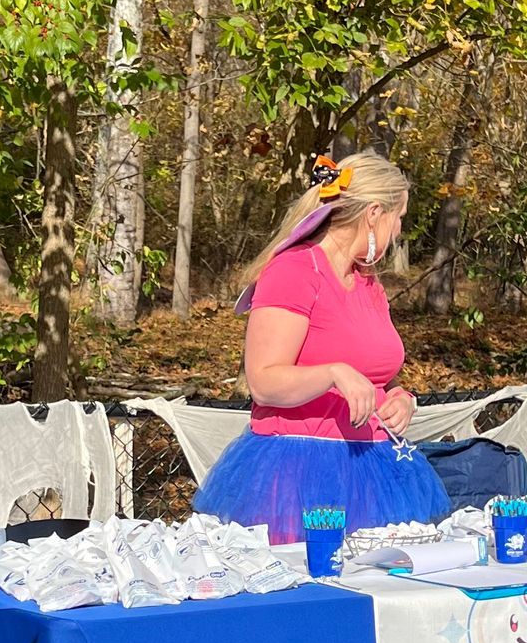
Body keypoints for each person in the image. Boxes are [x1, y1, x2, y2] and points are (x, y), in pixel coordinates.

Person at [193, 151, 450, 544]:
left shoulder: (369, 284)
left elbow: (376, 373)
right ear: (374, 213)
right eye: (399, 218)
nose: (399, 231)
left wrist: (400, 398)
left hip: (376, 464)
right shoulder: (294, 271)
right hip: (300, 472)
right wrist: (333, 373)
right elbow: (263, 381)